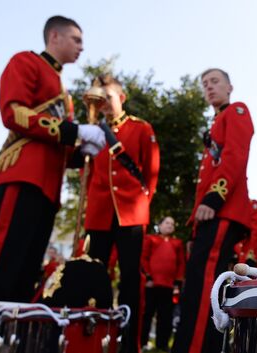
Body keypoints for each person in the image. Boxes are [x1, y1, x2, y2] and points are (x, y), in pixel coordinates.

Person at [0, 15, 106, 304]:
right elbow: (14, 113)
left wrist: (82, 153)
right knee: (3, 258)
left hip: (48, 187)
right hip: (22, 175)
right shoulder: (26, 62)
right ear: (54, 36)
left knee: (26, 269)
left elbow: (59, 148)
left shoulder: (64, 95)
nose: (81, 47)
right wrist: (73, 130)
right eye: (76, 39)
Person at [172, 68, 254, 353]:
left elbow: (234, 158)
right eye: (205, 84)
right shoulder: (216, 122)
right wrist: (196, 223)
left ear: (230, 87)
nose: (209, 87)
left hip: (223, 210)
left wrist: (213, 200)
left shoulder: (237, 111)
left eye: (215, 82)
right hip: (209, 215)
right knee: (195, 286)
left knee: (205, 284)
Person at [84, 74, 160, 353]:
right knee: (94, 274)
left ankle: (129, 343)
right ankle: (92, 336)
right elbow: (87, 171)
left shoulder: (141, 128)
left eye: (109, 98)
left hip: (130, 212)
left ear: (122, 98)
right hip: (99, 212)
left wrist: (143, 202)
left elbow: (151, 173)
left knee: (129, 278)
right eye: (100, 100)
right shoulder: (93, 130)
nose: (104, 104)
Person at [141, 216, 185, 352]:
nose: (170, 225)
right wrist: (148, 278)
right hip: (152, 284)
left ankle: (162, 344)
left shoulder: (177, 243)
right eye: (167, 223)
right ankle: (142, 342)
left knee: (165, 316)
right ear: (159, 226)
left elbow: (181, 264)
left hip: (169, 286)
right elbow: (144, 258)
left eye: (172, 224)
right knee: (147, 314)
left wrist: (177, 282)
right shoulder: (151, 239)